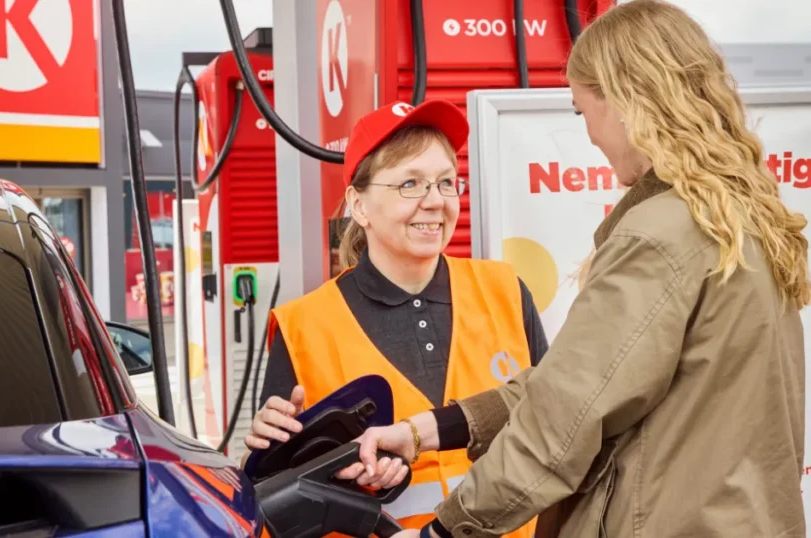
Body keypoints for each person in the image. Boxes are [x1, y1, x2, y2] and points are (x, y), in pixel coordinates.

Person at [343, 1, 810, 537]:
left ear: (622, 101)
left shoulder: (658, 235)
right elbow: (578, 385)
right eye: (409, 184)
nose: (588, 133)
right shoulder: (737, 217)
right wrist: (429, 430)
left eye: (580, 110)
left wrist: (446, 530)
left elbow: (563, 419)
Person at [243, 99, 549, 534]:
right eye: (410, 184)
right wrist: (267, 452)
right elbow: (273, 495)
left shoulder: (506, 291)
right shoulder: (303, 327)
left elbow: (556, 425)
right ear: (359, 206)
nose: (435, 202)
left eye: (447, 182)